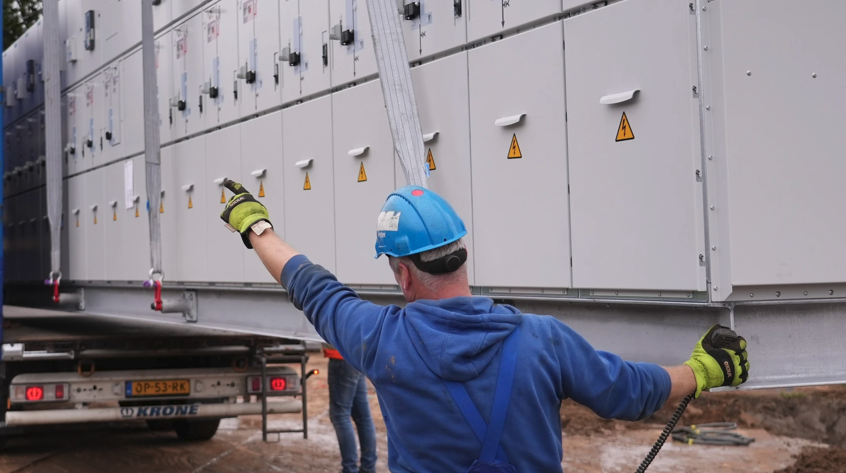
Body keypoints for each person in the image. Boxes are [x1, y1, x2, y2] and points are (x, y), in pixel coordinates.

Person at [219, 180, 749, 473]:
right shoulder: (541, 338)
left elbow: (311, 286)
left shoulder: (382, 340)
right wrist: (704, 370)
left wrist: (255, 225)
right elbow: (628, 392)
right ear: (463, 254)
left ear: (403, 274)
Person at [323, 342, 378, 473]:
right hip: (357, 356)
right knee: (363, 417)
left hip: (341, 356)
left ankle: (350, 469)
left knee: (340, 416)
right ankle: (368, 468)